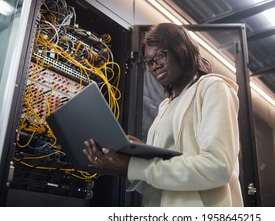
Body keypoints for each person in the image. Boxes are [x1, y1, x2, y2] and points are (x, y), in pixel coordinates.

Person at [83, 23, 243, 207]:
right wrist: (130, 155)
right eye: (149, 62)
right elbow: (161, 183)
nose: (155, 66)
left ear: (181, 49)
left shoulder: (212, 88)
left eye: (160, 55)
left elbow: (218, 168)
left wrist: (134, 166)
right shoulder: (166, 106)